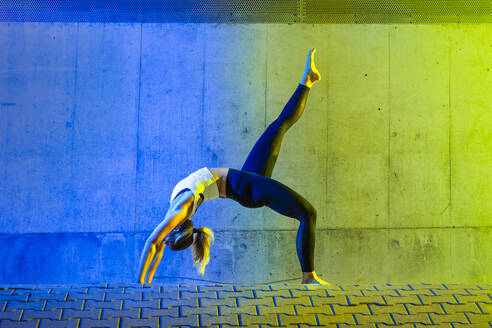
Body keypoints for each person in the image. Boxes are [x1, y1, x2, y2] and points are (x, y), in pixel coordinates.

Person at [138, 48, 329, 285]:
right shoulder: (182, 209)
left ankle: (307, 80)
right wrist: (140, 285)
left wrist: (143, 283)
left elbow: (157, 246)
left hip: (244, 182)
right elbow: (153, 243)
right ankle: (308, 277)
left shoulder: (176, 204)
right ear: (177, 229)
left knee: (278, 126)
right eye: (169, 237)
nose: (164, 238)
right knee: (307, 213)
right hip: (245, 187)